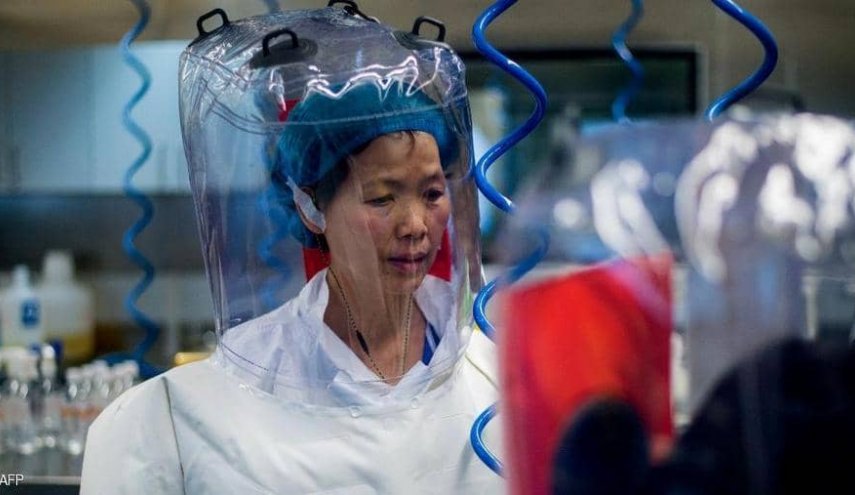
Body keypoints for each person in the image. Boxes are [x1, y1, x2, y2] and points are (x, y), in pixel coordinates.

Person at [80, 5, 502, 494]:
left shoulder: (493, 366)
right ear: (310, 207)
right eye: (381, 198)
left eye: (432, 194)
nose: (415, 226)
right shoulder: (211, 401)